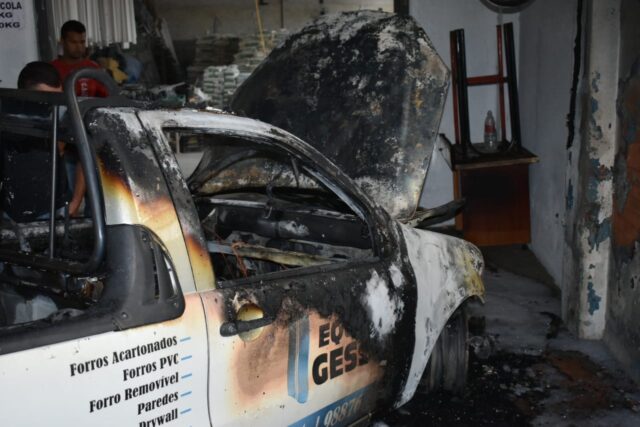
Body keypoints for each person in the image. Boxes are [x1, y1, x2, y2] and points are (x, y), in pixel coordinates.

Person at [1, 62, 84, 221]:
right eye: (45, 98)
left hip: (54, 210)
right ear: (24, 93)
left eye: (57, 97)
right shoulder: (6, 116)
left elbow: (85, 156)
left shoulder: (64, 114)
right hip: (10, 212)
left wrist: (75, 203)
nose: (52, 104)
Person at [51, 20, 108, 98]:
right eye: (73, 42)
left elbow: (107, 98)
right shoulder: (52, 69)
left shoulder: (93, 68)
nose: (79, 47)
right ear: (62, 41)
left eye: (82, 42)